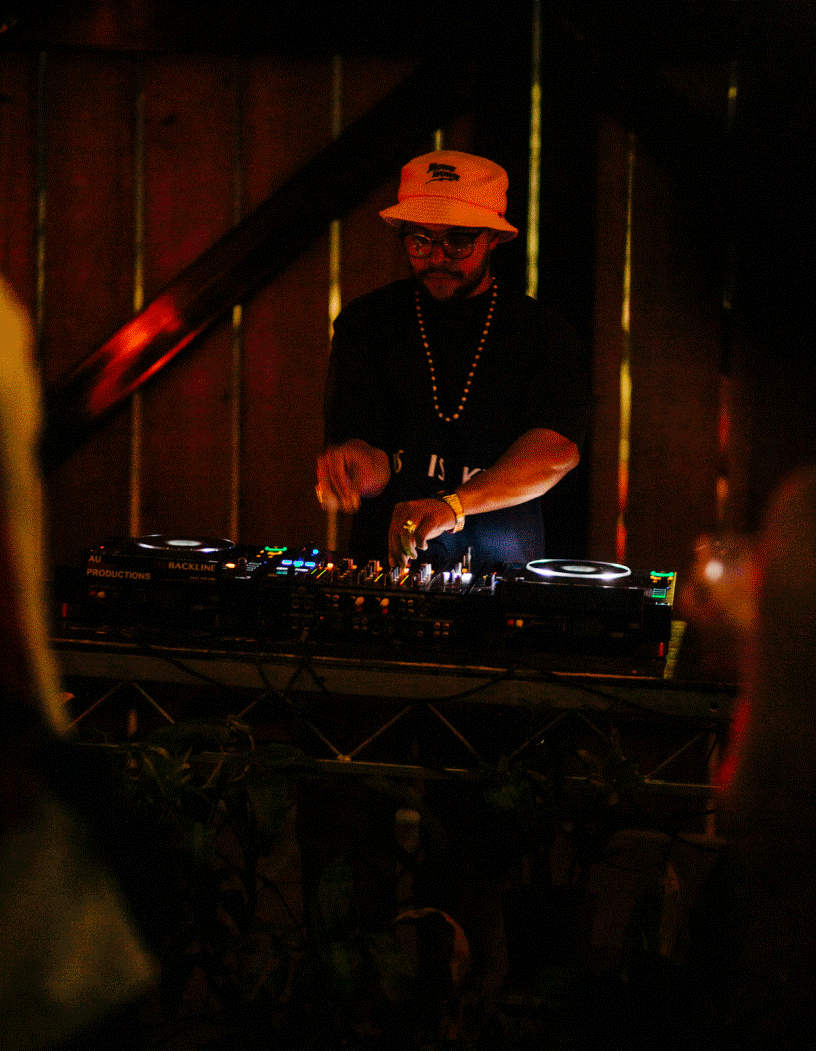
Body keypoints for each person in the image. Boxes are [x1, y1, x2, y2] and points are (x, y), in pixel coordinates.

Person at [316, 150, 589, 573]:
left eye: (458, 241)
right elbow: (373, 457)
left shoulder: (542, 333)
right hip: (385, 573)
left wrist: (453, 506)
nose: (437, 257)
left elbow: (555, 452)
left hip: (501, 577)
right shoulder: (367, 322)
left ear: (493, 238)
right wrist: (350, 467)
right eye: (420, 240)